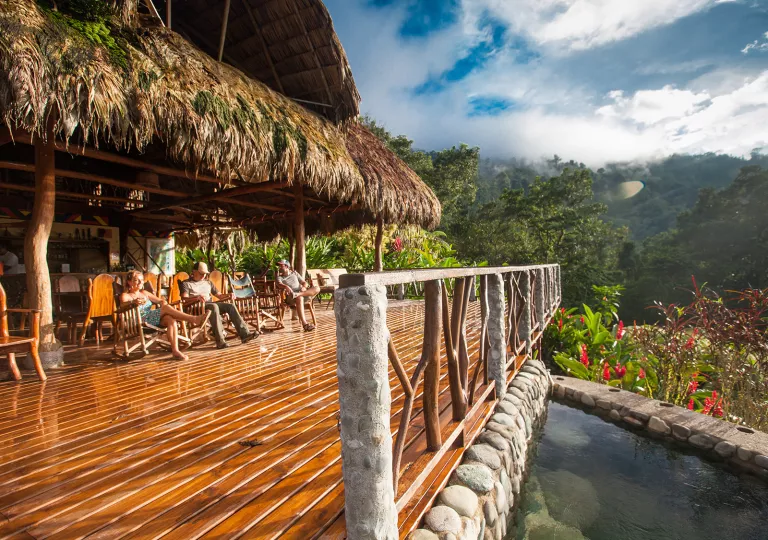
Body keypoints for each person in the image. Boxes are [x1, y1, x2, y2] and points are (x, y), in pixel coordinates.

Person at [120, 270, 210, 361]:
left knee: (170, 320)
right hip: (138, 322)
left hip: (151, 320)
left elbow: (160, 300)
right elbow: (123, 306)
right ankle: (194, 319)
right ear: (129, 282)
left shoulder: (144, 293)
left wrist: (162, 302)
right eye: (137, 280)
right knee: (165, 309)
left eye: (142, 280)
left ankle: (175, 351)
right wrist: (133, 302)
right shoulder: (125, 295)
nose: (140, 282)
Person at [180, 261, 258, 349]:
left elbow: (220, 296)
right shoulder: (186, 284)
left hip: (210, 305)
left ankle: (245, 334)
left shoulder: (208, 282)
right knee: (214, 307)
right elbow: (184, 300)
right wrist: (196, 298)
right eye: (201, 273)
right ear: (194, 272)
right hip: (196, 307)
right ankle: (220, 341)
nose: (203, 275)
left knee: (230, 306)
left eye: (205, 274)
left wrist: (228, 295)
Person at [276, 259, 319, 331]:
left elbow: (305, 283)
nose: (279, 267)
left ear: (286, 266)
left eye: (281, 266)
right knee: (300, 298)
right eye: (279, 266)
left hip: (301, 293)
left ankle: (298, 294)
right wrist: (285, 286)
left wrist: (304, 287)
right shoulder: (279, 277)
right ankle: (305, 325)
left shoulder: (294, 273)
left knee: (317, 288)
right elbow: (278, 284)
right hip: (291, 297)